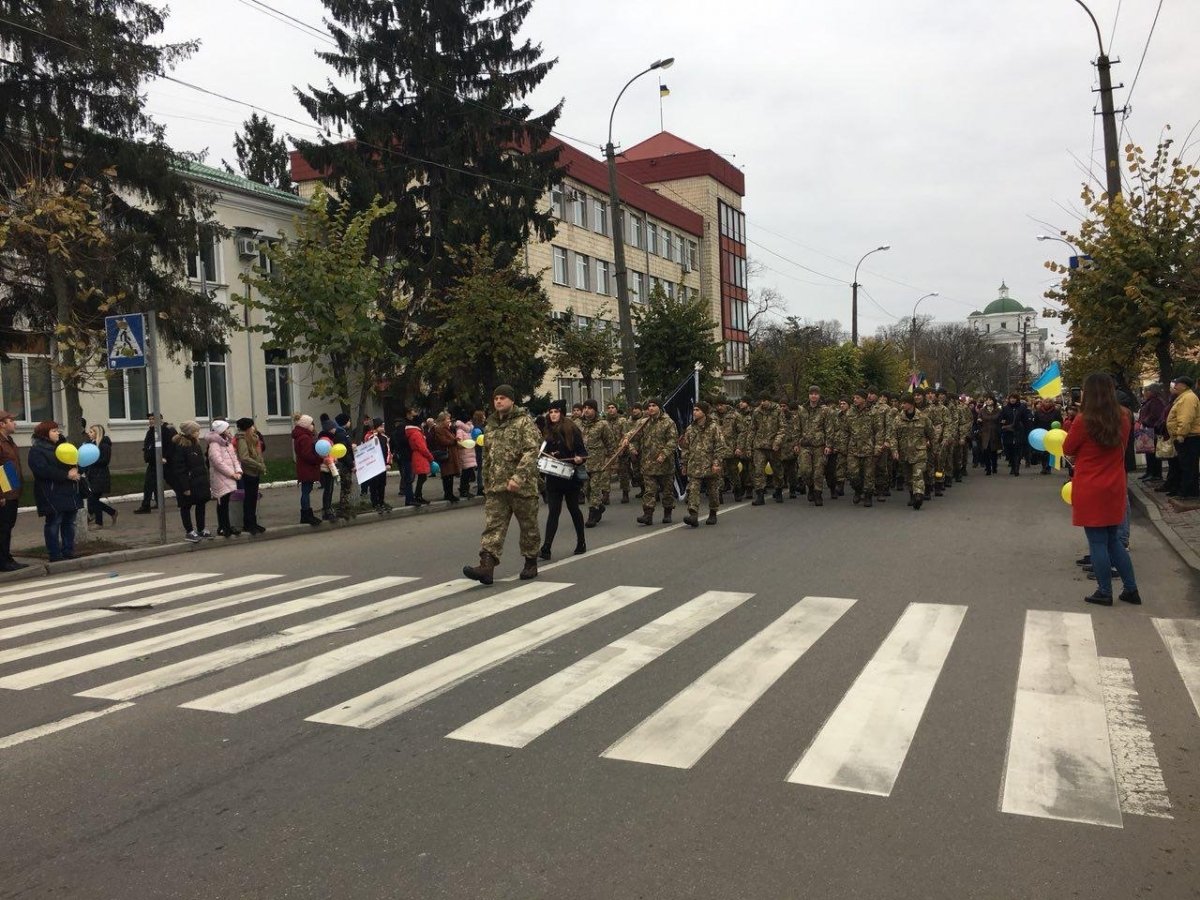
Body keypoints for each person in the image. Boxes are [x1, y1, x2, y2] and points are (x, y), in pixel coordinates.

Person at [1063, 373, 1140, 606]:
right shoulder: (1124, 417)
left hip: (1090, 485)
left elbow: (1068, 446)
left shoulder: (1084, 420)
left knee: (1097, 542)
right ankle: (1131, 589)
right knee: (1114, 541)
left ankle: (1104, 591)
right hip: (1114, 483)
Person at [463, 384, 541, 585]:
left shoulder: (524, 423)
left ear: (512, 401)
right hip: (497, 488)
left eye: (503, 398)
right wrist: (486, 484)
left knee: (528, 526)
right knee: (493, 527)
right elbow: (488, 457)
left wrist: (518, 477)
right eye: (496, 398)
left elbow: (532, 452)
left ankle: (530, 562)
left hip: (522, 487)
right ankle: (486, 566)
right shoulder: (490, 426)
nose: (498, 401)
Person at [537, 400, 587, 559]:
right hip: (553, 477)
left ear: (562, 413)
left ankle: (581, 542)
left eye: (556, 412)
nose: (553, 415)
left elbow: (581, 451)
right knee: (553, 512)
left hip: (569, 476)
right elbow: (542, 451)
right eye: (551, 412)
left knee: (573, 509)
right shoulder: (547, 431)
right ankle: (546, 547)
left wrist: (579, 459)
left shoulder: (571, 429)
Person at [27, 421, 82, 561]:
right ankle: (54, 554)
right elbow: (42, 470)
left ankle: (68, 551)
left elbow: (73, 460)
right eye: (54, 431)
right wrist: (66, 475)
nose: (58, 433)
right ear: (45, 434)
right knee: (54, 522)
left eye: (58, 430)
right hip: (50, 491)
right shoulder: (37, 450)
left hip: (68, 490)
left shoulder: (63, 447)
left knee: (69, 522)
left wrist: (76, 469)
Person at [631, 397, 679, 524]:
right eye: (648, 406)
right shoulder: (643, 422)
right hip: (648, 463)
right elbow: (632, 436)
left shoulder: (668, 422)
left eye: (653, 405)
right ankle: (648, 515)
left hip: (664, 464)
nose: (651, 408)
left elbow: (673, 441)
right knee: (649, 491)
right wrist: (630, 445)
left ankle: (667, 513)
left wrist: (664, 454)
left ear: (659, 407)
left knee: (667, 491)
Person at [680, 401, 726, 526]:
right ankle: (693, 515)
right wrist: (684, 464)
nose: (694, 412)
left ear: (704, 412)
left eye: (697, 410)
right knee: (693, 489)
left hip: (710, 464)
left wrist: (716, 463)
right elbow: (685, 447)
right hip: (695, 465)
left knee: (712, 491)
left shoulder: (714, 427)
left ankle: (713, 513)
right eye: (694, 410)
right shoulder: (690, 428)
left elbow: (720, 446)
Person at [168, 421, 212, 542]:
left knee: (201, 504)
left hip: (199, 482)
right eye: (196, 431)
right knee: (186, 506)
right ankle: (189, 531)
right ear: (190, 432)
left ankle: (201, 529)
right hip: (187, 483)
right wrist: (185, 487)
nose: (198, 433)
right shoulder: (181, 446)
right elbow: (179, 468)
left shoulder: (196, 444)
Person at [578, 399, 615, 527]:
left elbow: (610, 442)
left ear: (595, 410)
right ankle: (599, 506)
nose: (586, 410)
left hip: (597, 462)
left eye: (589, 408)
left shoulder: (602, 424)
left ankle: (592, 514)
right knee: (586, 488)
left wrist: (611, 459)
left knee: (594, 489)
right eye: (585, 408)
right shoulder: (580, 425)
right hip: (582, 463)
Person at [892, 395, 934, 509]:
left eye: (904, 403)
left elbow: (931, 432)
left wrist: (930, 442)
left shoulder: (923, 417)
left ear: (911, 404)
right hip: (904, 453)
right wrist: (894, 450)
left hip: (919, 452)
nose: (902, 405)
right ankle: (912, 495)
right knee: (908, 477)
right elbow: (893, 437)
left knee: (918, 475)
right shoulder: (898, 419)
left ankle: (919, 495)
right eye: (902, 403)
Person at [1164, 375, 1199, 500]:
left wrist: (1181, 435)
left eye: (1177, 384)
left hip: (1188, 437)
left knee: (1188, 465)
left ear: (1183, 385)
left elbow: (1185, 418)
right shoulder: (1184, 397)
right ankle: (1190, 491)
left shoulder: (1188, 398)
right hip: (1188, 436)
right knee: (1187, 465)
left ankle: (1187, 492)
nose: (1175, 386)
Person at [206, 420, 243, 538]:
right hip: (220, 478)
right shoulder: (214, 445)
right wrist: (232, 474)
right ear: (221, 431)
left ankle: (227, 526)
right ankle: (223, 527)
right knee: (222, 504)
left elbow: (234, 458)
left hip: (229, 477)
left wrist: (238, 470)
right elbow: (218, 463)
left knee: (226, 503)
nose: (229, 431)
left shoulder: (227, 443)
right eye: (227, 429)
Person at [0, 410, 27, 570]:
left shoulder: (8, 441)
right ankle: (3, 562)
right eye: (11, 420)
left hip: (12, 490)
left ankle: (7, 557)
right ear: (2, 424)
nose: (15, 423)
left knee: (8, 526)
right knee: (3, 527)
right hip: (5, 493)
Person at [844, 390, 878, 507]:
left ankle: (868, 496)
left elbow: (878, 431)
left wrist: (878, 446)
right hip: (853, 448)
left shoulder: (873, 412)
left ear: (864, 399)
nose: (854, 400)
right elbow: (845, 431)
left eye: (857, 398)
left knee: (869, 475)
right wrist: (843, 446)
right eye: (854, 398)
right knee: (853, 474)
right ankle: (858, 490)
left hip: (869, 448)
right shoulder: (850, 413)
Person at [235, 418, 267, 534]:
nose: (254, 428)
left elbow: (257, 453)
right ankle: (248, 524)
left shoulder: (252, 437)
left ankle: (253, 522)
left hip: (255, 471)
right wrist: (258, 465)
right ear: (248, 427)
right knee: (249, 498)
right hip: (249, 471)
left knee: (253, 498)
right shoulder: (242, 439)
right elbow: (244, 457)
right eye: (252, 426)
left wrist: (261, 464)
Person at [81, 424, 117, 528]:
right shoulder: (90, 444)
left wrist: (91, 460)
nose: (89, 433)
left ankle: (99, 522)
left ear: (98, 433)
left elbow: (105, 461)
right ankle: (111, 513)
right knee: (93, 500)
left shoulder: (104, 445)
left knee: (92, 500)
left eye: (91, 432)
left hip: (101, 476)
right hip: (91, 475)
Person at [291, 413, 323, 527]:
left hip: (304, 467)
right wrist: (319, 459)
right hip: (307, 468)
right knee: (306, 492)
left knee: (306, 491)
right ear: (306, 425)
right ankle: (306, 515)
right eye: (311, 424)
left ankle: (308, 514)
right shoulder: (304, 437)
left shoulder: (301, 436)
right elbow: (307, 455)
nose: (313, 426)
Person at [430, 411, 462, 503]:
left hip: (451, 454)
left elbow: (450, 439)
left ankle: (450, 494)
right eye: (448, 419)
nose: (449, 420)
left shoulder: (446, 429)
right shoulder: (439, 429)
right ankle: (448, 494)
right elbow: (443, 441)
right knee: (447, 475)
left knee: (450, 475)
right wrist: (454, 441)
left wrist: (455, 439)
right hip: (446, 455)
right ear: (442, 420)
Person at [998, 392, 1031, 476]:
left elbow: (1026, 420)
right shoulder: (1005, 408)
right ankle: (1012, 465)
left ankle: (1016, 468)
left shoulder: (1022, 408)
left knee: (1017, 450)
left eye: (1014, 398)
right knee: (1009, 450)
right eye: (1011, 398)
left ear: (1017, 399)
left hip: (1019, 432)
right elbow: (1001, 419)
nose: (1012, 400)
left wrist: (1026, 431)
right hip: (1008, 432)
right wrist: (1003, 424)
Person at [405, 413, 434, 505]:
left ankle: (418, 496)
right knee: (422, 477)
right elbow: (422, 448)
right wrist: (430, 457)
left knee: (422, 477)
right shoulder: (416, 433)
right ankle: (418, 496)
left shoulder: (413, 432)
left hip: (417, 455)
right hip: (420, 456)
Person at [454, 414, 478, 499]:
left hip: (470, 454)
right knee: (465, 474)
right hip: (464, 454)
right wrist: (466, 445)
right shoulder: (460, 430)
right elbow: (458, 442)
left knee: (468, 473)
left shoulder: (469, 430)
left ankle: (466, 490)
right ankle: (463, 490)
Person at [976, 396, 1002, 475]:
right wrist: (979, 421)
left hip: (995, 432)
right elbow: (979, 419)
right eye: (987, 400)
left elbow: (1000, 420)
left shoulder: (998, 410)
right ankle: (988, 468)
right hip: (985, 433)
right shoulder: (982, 410)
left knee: (994, 451)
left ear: (993, 401)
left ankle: (994, 466)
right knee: (986, 450)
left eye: (990, 400)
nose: (988, 401)